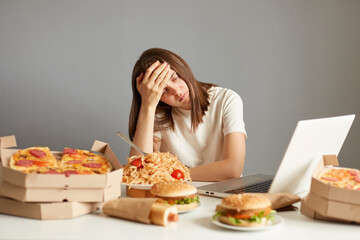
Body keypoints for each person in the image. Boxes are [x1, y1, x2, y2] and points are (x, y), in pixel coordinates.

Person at [128, 48, 246, 181]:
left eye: (174, 77)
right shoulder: (156, 116)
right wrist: (147, 106)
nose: (176, 91)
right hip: (180, 194)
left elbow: (233, 168)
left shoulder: (226, 99)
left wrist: (174, 174)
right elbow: (139, 171)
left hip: (225, 194)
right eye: (163, 92)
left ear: (181, 67)